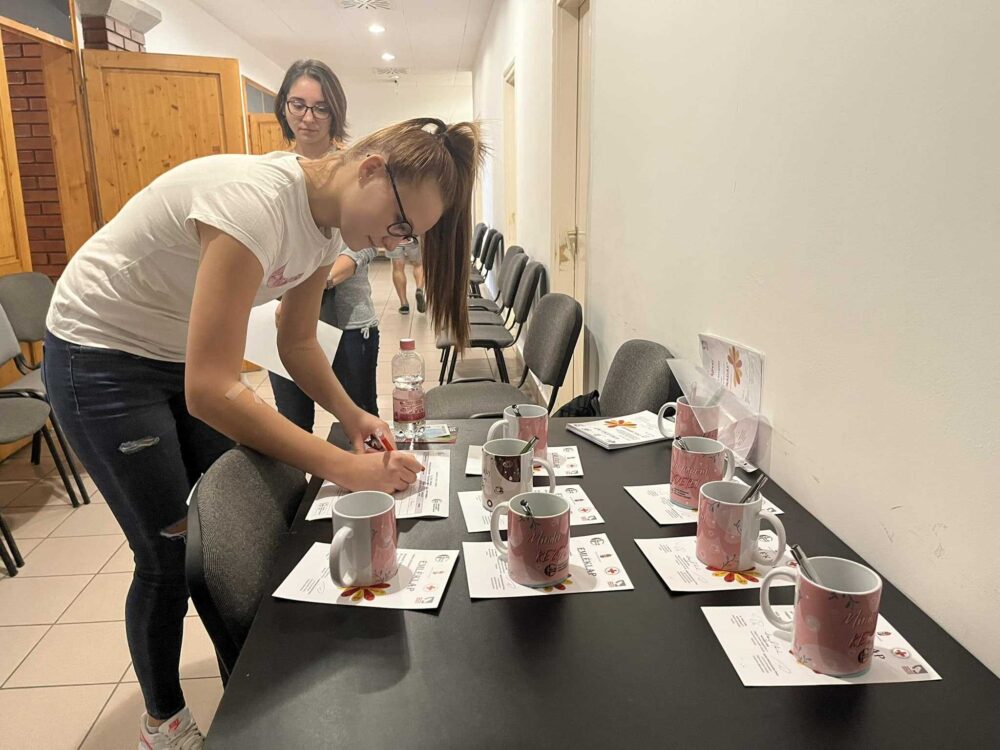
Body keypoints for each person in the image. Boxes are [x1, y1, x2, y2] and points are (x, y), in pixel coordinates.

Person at [42, 111, 480, 749]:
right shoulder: (256, 204)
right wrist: (343, 466)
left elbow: (296, 340)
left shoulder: (324, 230)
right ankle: (163, 721)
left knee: (233, 513)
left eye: (408, 237)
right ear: (370, 170)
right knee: (166, 554)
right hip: (101, 354)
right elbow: (210, 388)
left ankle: (240, 680)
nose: (394, 245)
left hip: (175, 350)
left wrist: (351, 416)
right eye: (400, 225)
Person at [265, 60, 381, 430]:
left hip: (347, 319)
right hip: (281, 316)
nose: (308, 117)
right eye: (298, 105)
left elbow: (365, 243)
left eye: (321, 108)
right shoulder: (273, 171)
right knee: (293, 421)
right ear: (284, 106)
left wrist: (318, 282)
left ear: (336, 112)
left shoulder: (355, 168)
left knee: (359, 416)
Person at [388, 236, 426, 314]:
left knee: (398, 268)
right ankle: (419, 288)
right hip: (413, 236)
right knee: (418, 264)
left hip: (393, 236)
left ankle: (404, 304)